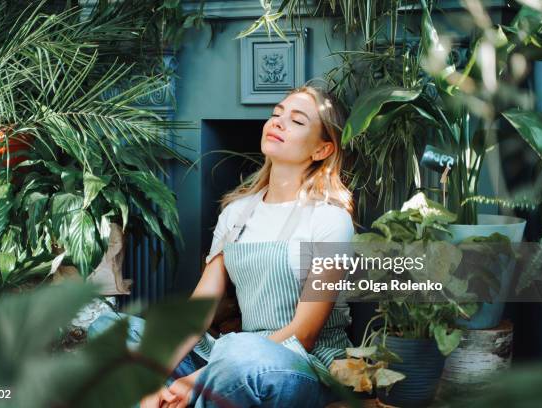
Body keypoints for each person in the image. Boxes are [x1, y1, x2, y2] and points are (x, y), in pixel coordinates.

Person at [88, 84, 355, 407]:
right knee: (109, 329)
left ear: (322, 150)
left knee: (239, 353)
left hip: (296, 366)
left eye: (297, 121)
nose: (278, 123)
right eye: (276, 114)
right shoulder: (237, 212)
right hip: (231, 361)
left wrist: (199, 378)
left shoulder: (331, 220)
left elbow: (306, 333)